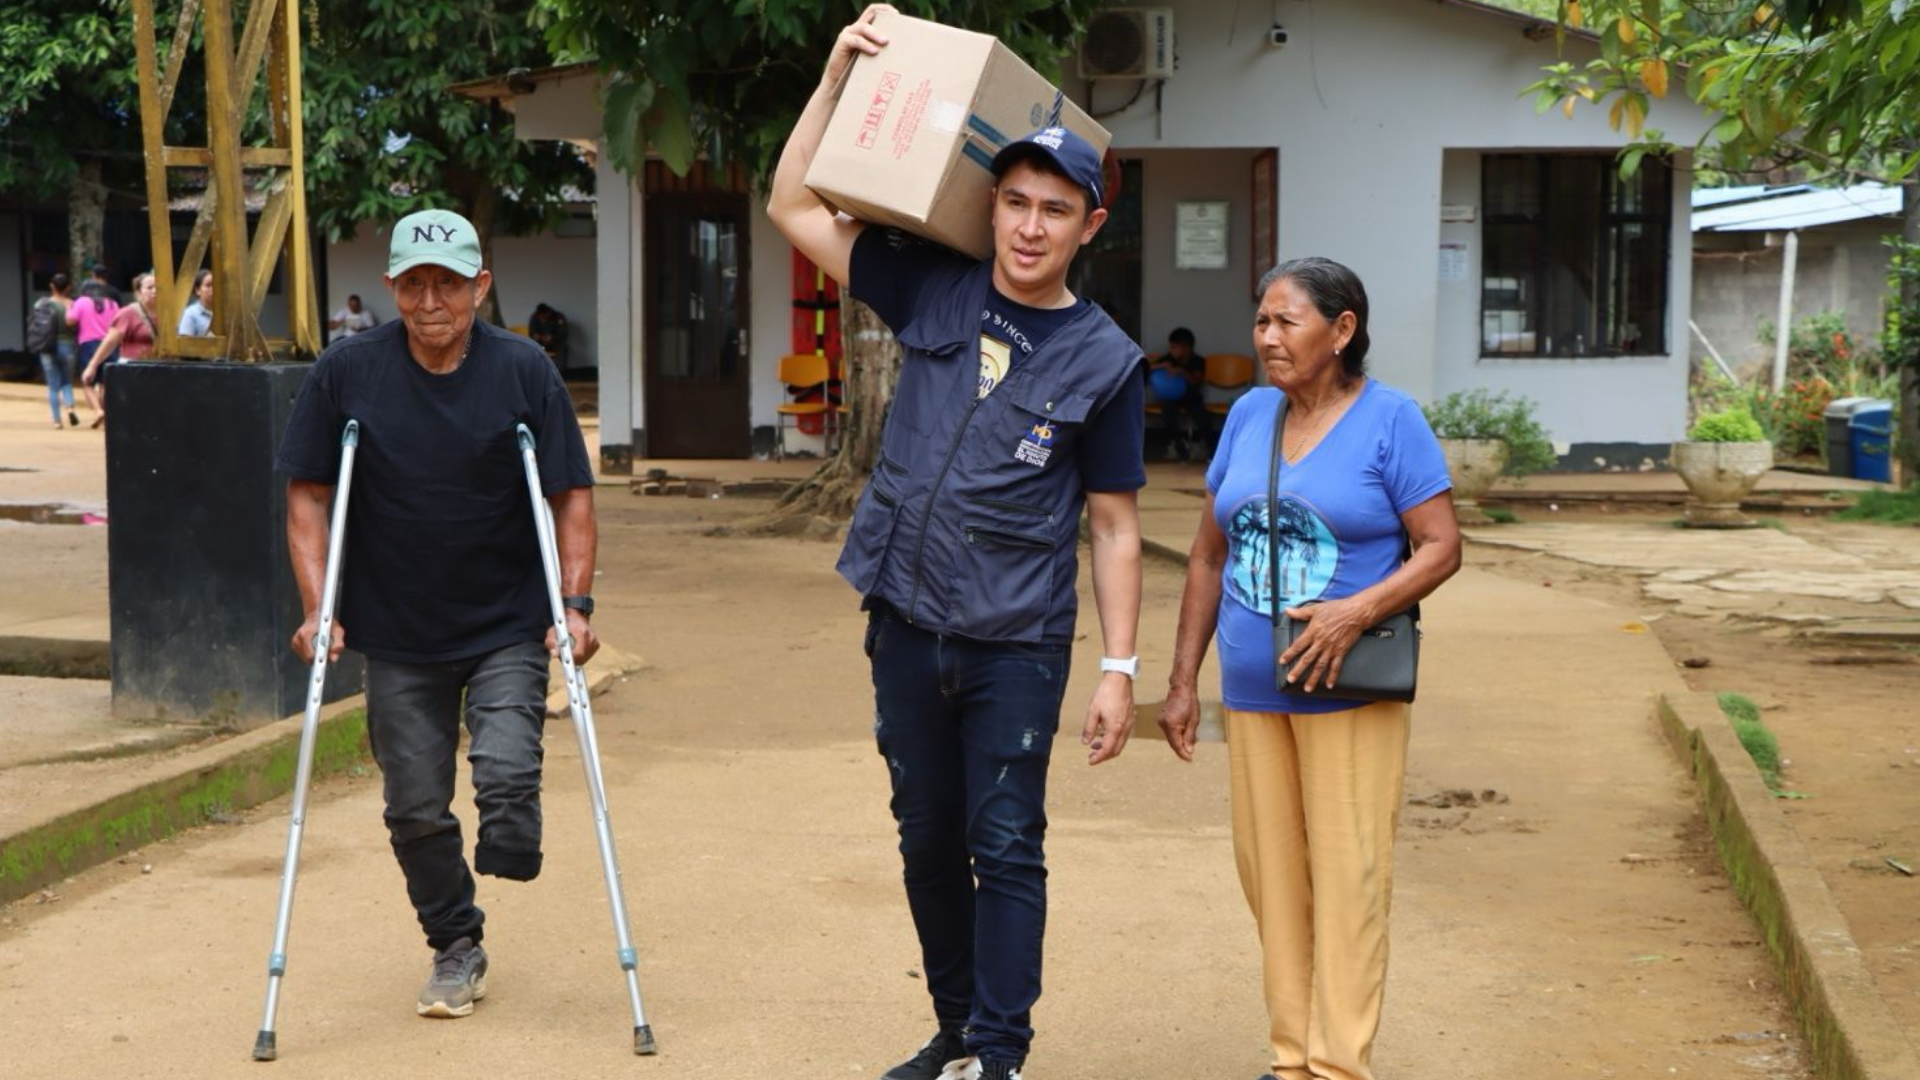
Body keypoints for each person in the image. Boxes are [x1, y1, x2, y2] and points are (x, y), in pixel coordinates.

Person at [768, 9, 1146, 1080]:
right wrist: (839, 74)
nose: (1030, 227)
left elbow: (1115, 526)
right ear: (995, 203)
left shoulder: (1106, 363)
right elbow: (793, 201)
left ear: (1089, 225)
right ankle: (954, 1029)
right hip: (903, 618)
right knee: (925, 836)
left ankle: (1001, 1052)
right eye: (1017, 203)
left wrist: (1117, 669)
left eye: (1055, 211)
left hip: (1014, 643)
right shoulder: (931, 282)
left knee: (1005, 844)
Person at [275, 208, 597, 1021]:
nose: (430, 303)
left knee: (508, 782)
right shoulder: (349, 371)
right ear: (391, 287)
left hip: (505, 622)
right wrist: (321, 609)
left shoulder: (524, 370)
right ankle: (457, 942)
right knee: (413, 805)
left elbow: (570, 497)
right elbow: (309, 495)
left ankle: (511, 836)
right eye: (413, 285)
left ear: (479, 286)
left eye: (447, 284)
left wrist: (577, 604)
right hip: (397, 628)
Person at [1157, 257, 1462, 1080]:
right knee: (1273, 883)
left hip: (1348, 691)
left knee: (1349, 878)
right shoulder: (1251, 414)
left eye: (1286, 321)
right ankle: (1290, 1058)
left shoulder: (1391, 420)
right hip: (1254, 691)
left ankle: (1337, 1066)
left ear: (1343, 330)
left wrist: (1357, 609)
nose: (1266, 337)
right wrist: (1185, 681)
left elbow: (1442, 546)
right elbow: (1206, 558)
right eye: (1261, 321)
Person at [80, 272, 159, 428]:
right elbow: (110, 341)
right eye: (150, 287)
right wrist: (92, 366)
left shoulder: (166, 313)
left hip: (157, 370)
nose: (155, 291)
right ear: (138, 292)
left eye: (158, 287)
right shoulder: (128, 313)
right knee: (134, 413)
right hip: (132, 371)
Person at [1146, 326, 1210, 461]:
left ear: (1186, 347)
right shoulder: (1168, 359)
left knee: (1201, 416)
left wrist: (1182, 372)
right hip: (1172, 398)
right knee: (1167, 413)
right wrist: (1161, 366)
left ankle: (1211, 449)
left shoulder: (1198, 361)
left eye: (1174, 347)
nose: (1171, 350)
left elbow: (1196, 381)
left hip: (1191, 396)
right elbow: (1147, 368)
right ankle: (1178, 444)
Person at [67, 264, 120, 426]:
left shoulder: (82, 301)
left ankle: (98, 411)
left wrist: (71, 307)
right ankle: (106, 414)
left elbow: (70, 320)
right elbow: (119, 324)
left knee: (87, 381)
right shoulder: (112, 303)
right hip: (110, 345)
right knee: (105, 382)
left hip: (89, 345)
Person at [31, 273, 79, 430]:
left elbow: (34, 325)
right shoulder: (72, 304)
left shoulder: (41, 304)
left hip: (47, 347)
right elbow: (76, 325)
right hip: (68, 346)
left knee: (53, 386)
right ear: (69, 287)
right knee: (66, 382)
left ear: (52, 286)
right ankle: (70, 407)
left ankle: (57, 421)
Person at [178, 270, 215, 337]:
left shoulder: (224, 313)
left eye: (215, 285)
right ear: (198, 290)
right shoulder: (190, 314)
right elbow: (185, 344)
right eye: (208, 285)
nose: (213, 288)